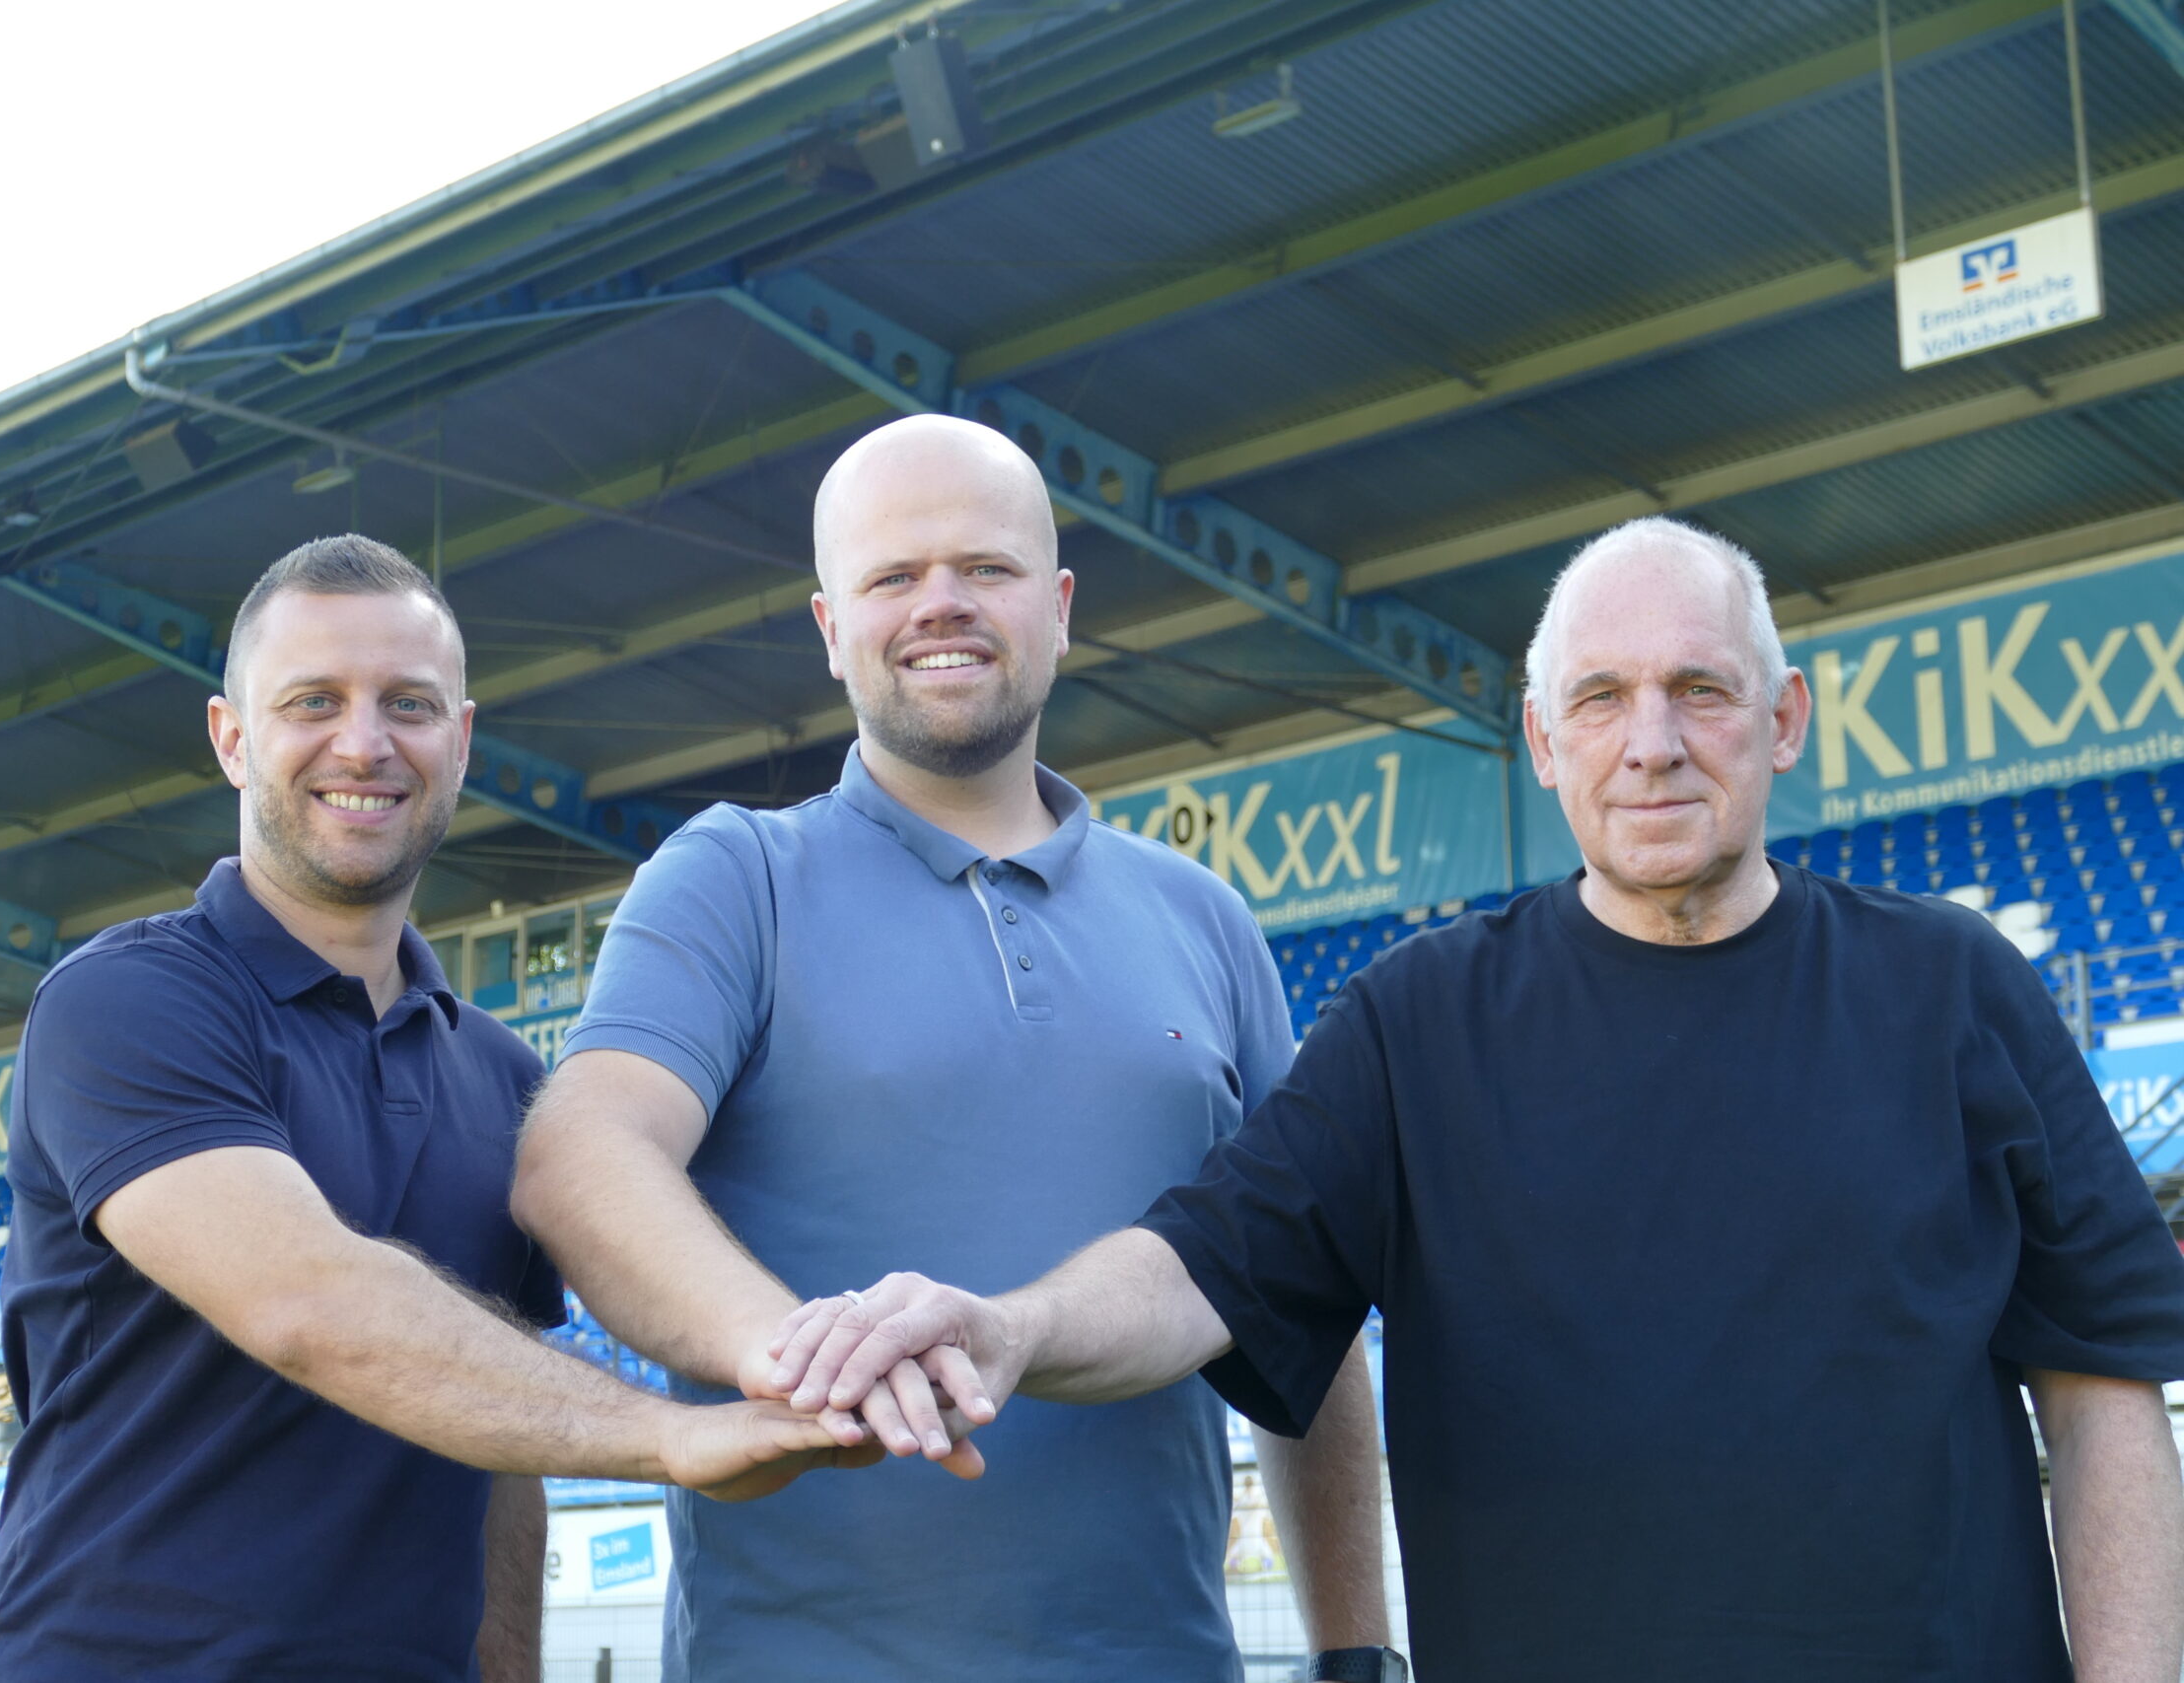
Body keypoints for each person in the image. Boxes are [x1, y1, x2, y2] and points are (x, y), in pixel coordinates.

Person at [772, 515, 2184, 1683]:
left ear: (1783, 716)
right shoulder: (1418, 1019)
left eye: (1699, 688)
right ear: (1541, 738)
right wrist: (1010, 1323)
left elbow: (2104, 1388)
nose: (1654, 741)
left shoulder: (1953, 987)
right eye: (1600, 697)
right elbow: (1203, 1266)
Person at [509, 414, 1388, 1681]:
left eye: (985, 568)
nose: (942, 605)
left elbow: (1304, 1304)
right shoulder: (733, 875)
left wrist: (1356, 1652)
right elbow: (580, 1156)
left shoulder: (1203, 917)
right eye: (892, 576)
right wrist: (797, 1351)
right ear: (828, 628)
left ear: (1061, 605)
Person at [0, 536, 874, 1683]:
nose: (364, 742)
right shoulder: (129, 999)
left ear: (461, 739)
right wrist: (674, 1435)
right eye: (313, 702)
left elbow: (497, 1466)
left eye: (409, 703)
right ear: (231, 738)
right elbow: (311, 1301)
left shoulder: (501, 1078)